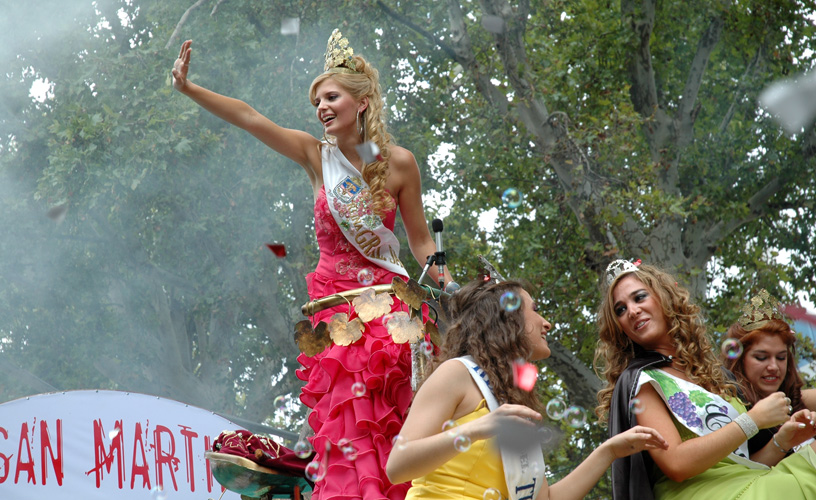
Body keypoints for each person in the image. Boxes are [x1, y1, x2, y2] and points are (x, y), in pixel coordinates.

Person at [172, 30, 442, 500]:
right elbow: (250, 117)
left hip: (387, 310)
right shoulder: (317, 157)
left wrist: (451, 287)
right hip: (335, 315)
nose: (321, 107)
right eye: (316, 100)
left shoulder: (400, 163)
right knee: (344, 422)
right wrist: (189, 89)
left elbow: (420, 242)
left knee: (386, 417)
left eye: (331, 96)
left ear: (362, 102)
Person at [386, 278, 669, 500]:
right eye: (534, 310)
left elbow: (544, 498)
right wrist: (476, 429)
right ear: (506, 320)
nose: (547, 323)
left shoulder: (512, 399)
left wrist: (608, 452)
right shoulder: (457, 373)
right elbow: (398, 466)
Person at [595, 259, 816, 500]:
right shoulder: (641, 381)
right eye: (620, 309)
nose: (632, 311)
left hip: (746, 485)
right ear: (619, 327)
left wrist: (781, 442)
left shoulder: (712, 376)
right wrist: (752, 420)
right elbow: (677, 464)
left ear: (665, 297)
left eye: (639, 298)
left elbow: (741, 466)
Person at [723, 290, 816, 461]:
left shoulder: (795, 399)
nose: (774, 367)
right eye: (761, 357)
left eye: (781, 357)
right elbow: (743, 473)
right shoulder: (729, 407)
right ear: (740, 359)